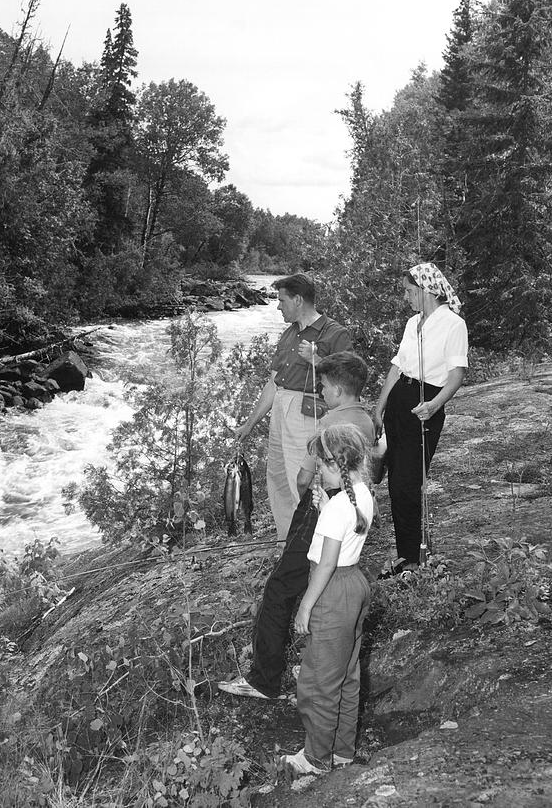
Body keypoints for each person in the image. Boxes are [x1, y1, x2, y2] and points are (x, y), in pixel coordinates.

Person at [219, 352, 374, 700]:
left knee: (278, 589)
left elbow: (306, 475)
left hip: (320, 508)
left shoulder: (330, 426)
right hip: (345, 502)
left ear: (336, 389)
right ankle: (310, 656)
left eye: (322, 385)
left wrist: (308, 502)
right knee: (317, 577)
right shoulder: (367, 419)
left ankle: (265, 680)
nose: (319, 391)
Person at [281, 423, 373, 776]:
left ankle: (316, 758)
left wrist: (306, 605)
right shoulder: (361, 494)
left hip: (331, 589)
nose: (317, 470)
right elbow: (347, 534)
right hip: (355, 585)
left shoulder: (337, 508)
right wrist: (326, 508)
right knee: (347, 674)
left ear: (336, 464)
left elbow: (328, 560)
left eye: (321, 464)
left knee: (318, 680)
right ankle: (342, 751)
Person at [236, 274, 351, 544]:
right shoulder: (289, 334)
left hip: (307, 412)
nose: (278, 307)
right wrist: (249, 424)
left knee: (302, 479)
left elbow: (348, 382)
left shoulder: (335, 333)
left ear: (298, 300)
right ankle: (288, 542)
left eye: (282, 300)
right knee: (277, 478)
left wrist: (317, 359)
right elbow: (273, 383)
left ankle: (318, 541)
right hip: (280, 408)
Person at [373, 263, 468, 573]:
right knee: (394, 484)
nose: (407, 297)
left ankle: (414, 561)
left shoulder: (453, 324)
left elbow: (457, 374)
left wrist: (435, 404)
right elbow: (397, 367)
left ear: (428, 290)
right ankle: (408, 556)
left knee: (407, 484)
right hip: (400, 400)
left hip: (424, 406)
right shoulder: (413, 322)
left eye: (410, 291)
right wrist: (379, 407)